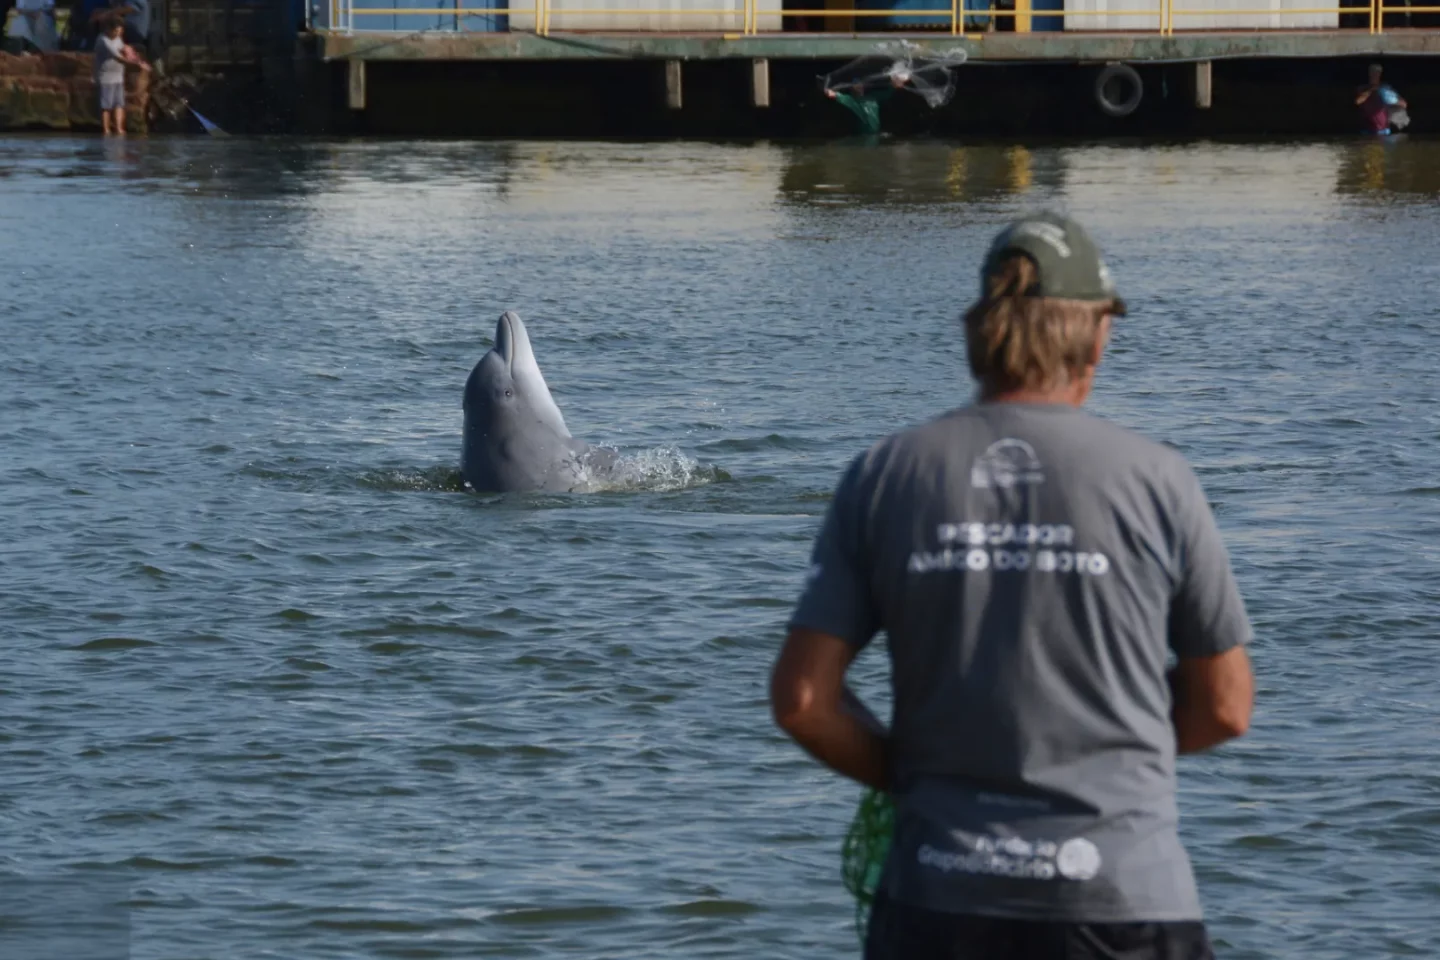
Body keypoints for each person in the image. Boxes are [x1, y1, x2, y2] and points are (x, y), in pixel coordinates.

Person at [771, 212, 1255, 960]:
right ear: (1097, 337)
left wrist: (923, 775)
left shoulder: (887, 473)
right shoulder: (1159, 480)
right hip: (1123, 897)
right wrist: (1106, 763)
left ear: (981, 329)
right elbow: (1224, 706)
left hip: (938, 896)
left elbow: (804, 702)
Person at [93, 17, 149, 135]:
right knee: (106, 106)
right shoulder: (103, 40)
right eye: (116, 31)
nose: (118, 33)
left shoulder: (118, 38)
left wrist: (134, 55)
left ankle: (119, 128)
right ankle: (106, 129)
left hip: (118, 76)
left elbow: (123, 49)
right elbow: (119, 58)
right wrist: (138, 65)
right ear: (108, 29)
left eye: (120, 31)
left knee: (119, 104)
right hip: (106, 78)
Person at [825, 72, 909, 137]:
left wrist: (896, 83)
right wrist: (829, 91)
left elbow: (889, 92)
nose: (859, 85)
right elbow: (836, 95)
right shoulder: (851, 100)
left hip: (875, 134)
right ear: (851, 86)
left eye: (860, 83)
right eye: (855, 83)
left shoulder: (873, 97)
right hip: (862, 136)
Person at [1356, 63, 1407, 135]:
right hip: (1367, 131)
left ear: (1380, 74)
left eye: (1377, 72)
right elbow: (1358, 101)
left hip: (1384, 130)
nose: (1375, 75)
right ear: (1369, 74)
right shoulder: (1362, 88)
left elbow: (1404, 104)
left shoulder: (1386, 88)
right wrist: (1372, 90)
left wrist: (1393, 100)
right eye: (1373, 72)